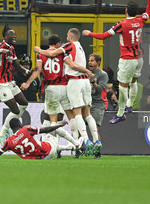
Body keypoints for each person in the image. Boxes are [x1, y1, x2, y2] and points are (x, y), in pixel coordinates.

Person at [83, 0, 150, 124]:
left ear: (126, 10)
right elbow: (149, 11)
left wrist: (90, 33)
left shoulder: (121, 24)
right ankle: (130, 105)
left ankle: (121, 112)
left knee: (122, 86)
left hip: (127, 60)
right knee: (134, 82)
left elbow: (104, 36)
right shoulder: (140, 20)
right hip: (139, 58)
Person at [34, 28, 100, 157]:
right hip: (85, 82)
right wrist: (87, 72)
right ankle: (96, 140)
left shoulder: (69, 46)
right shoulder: (80, 47)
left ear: (70, 36)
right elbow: (71, 62)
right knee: (87, 114)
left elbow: (54, 55)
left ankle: (85, 141)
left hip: (74, 82)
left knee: (76, 114)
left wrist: (39, 51)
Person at [21, 34, 92, 155]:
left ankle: (52, 147)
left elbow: (37, 70)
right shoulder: (62, 53)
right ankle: (76, 143)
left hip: (51, 89)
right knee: (72, 116)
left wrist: (27, 83)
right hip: (64, 87)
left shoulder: (41, 54)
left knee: (52, 120)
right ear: (58, 43)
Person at [0, 24, 30, 145]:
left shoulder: (12, 49)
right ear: (5, 36)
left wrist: (25, 71)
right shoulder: (1, 45)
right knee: (15, 110)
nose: (14, 36)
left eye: (15, 35)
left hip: (9, 81)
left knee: (24, 104)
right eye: (11, 35)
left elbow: (16, 65)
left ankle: (8, 129)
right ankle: (2, 134)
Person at [0, 118, 82, 159]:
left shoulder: (9, 142)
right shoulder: (25, 129)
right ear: (19, 124)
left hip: (40, 158)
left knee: (42, 140)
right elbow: (46, 129)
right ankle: (76, 144)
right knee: (52, 125)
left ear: (11, 128)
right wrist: (59, 125)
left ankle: (70, 147)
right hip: (48, 150)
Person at [88, 54, 108, 158]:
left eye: (92, 61)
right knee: (78, 127)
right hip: (87, 103)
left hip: (98, 104)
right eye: (89, 61)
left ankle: (97, 152)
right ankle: (78, 150)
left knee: (94, 129)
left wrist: (92, 81)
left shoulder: (103, 74)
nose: (90, 63)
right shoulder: (87, 73)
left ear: (98, 62)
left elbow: (99, 89)